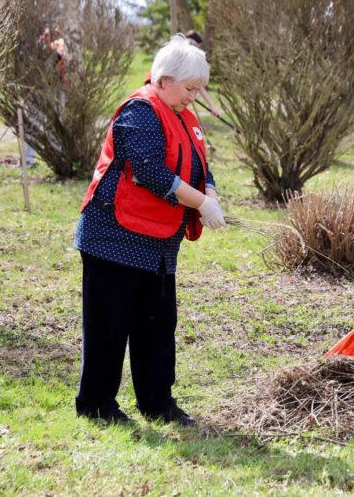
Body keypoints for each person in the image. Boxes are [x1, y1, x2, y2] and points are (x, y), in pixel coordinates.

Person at [73, 35, 226, 425]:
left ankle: (158, 403)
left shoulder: (183, 115)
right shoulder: (140, 111)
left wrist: (210, 191)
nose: (194, 97)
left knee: (157, 326)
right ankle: (97, 405)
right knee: (110, 326)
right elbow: (150, 171)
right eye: (189, 88)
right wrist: (199, 203)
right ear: (162, 81)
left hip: (158, 242)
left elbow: (198, 163)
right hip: (113, 236)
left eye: (198, 89)